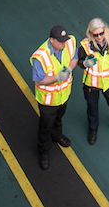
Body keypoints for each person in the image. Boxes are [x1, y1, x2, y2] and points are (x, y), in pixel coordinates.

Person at [30, 24, 79, 169]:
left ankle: (57, 135)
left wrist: (70, 68)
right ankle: (43, 151)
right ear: (51, 40)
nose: (63, 44)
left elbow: (74, 57)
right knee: (45, 126)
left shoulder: (68, 44)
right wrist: (58, 77)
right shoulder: (41, 57)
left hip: (63, 95)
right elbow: (39, 80)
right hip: (48, 101)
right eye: (60, 41)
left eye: (64, 40)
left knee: (59, 118)